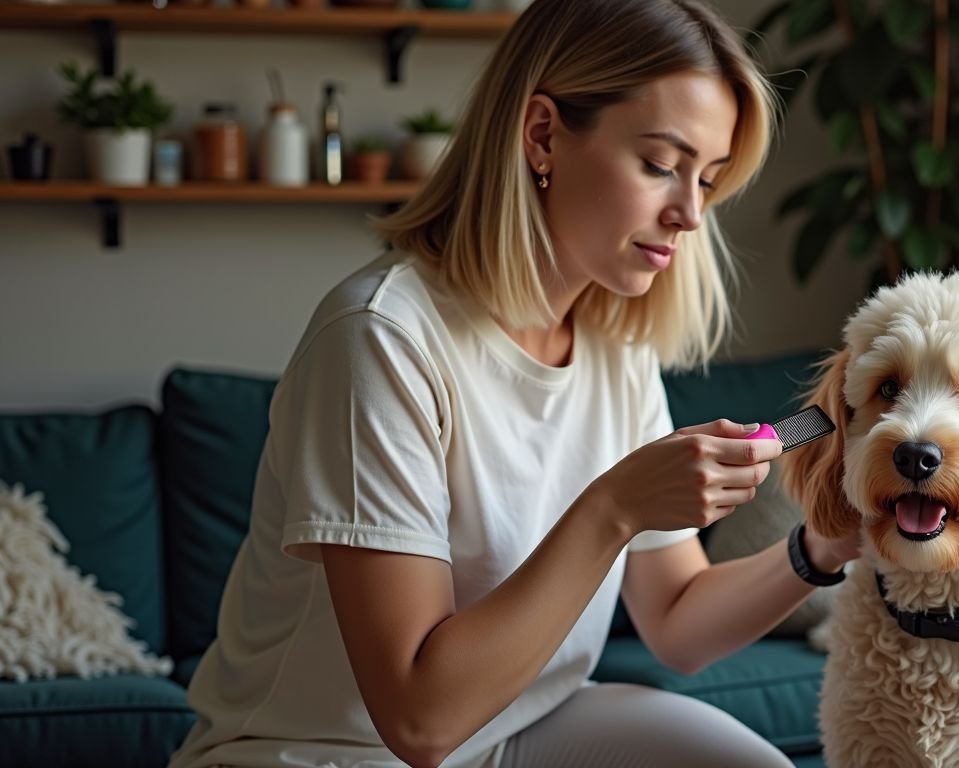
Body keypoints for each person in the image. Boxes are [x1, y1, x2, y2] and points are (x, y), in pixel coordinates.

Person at [169, 1, 861, 766]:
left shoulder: (613, 348)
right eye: (662, 165)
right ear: (542, 136)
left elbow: (675, 621)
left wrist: (822, 548)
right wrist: (615, 506)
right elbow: (420, 721)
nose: (690, 214)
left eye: (709, 179)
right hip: (326, 753)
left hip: (521, 728)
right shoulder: (380, 339)